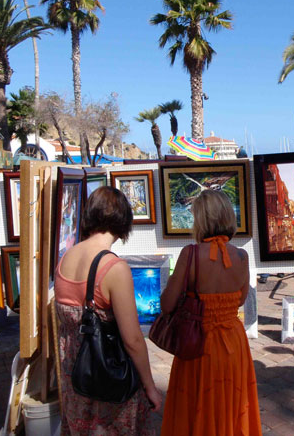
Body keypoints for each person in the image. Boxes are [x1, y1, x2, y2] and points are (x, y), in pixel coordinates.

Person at [54, 186, 162, 435]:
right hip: (107, 382)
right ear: (123, 221)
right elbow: (133, 339)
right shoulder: (114, 268)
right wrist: (150, 387)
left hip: (75, 378)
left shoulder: (65, 259)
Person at [161, 189, 262, 435]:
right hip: (233, 344)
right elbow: (240, 300)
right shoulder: (241, 256)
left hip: (199, 342)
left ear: (201, 220)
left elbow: (167, 305)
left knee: (198, 404)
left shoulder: (191, 254)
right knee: (231, 402)